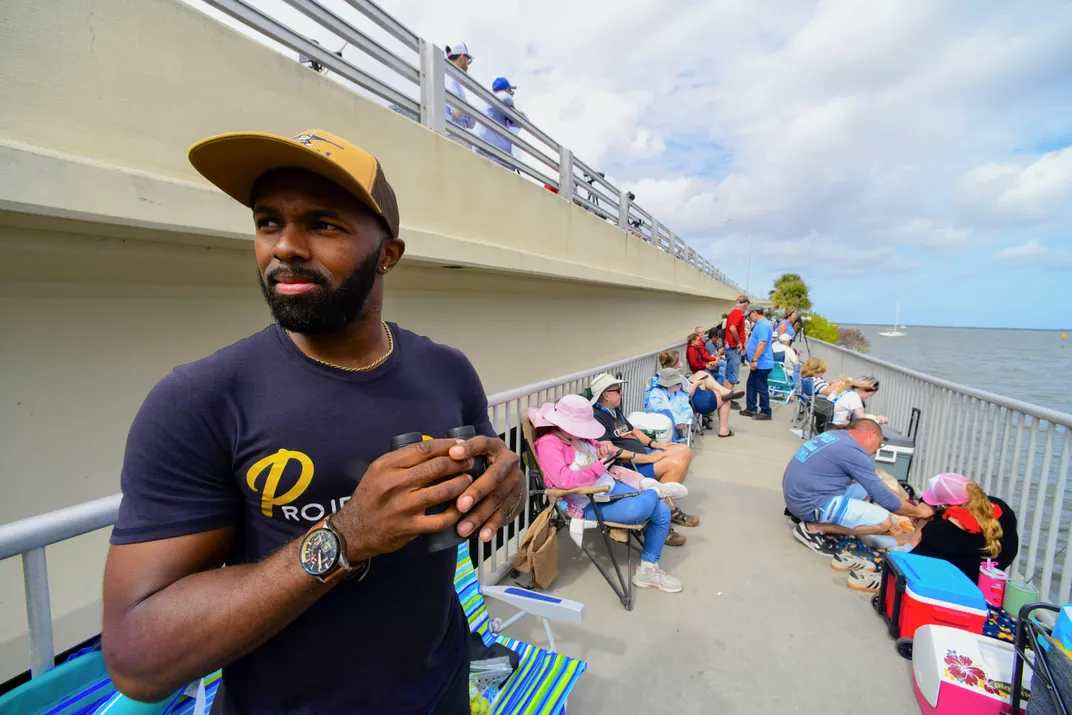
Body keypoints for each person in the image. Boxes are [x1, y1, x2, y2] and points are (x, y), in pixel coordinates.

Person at [101, 129, 524, 715]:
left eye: (323, 224)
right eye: (268, 222)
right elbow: (137, 660)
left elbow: (485, 485)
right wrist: (346, 536)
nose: (286, 247)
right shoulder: (200, 399)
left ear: (388, 255)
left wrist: (511, 481)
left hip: (442, 690)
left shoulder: (448, 371)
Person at [529, 396, 682, 592]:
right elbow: (563, 480)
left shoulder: (577, 437)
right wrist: (598, 468)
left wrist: (605, 449)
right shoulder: (549, 444)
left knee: (661, 511)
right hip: (588, 500)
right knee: (638, 510)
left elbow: (596, 447)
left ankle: (648, 570)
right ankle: (657, 490)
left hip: (609, 487)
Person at [782, 419, 935, 557]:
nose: (876, 451)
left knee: (866, 490)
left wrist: (908, 506)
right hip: (810, 502)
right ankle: (813, 528)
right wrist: (918, 512)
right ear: (872, 434)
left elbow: (875, 486)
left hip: (797, 495)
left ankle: (811, 519)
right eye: (879, 445)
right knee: (883, 522)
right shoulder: (852, 451)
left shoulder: (835, 436)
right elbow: (886, 500)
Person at [588, 373, 701, 533]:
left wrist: (655, 444)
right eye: (618, 390)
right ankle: (662, 519)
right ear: (605, 395)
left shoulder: (613, 410)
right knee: (673, 466)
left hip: (642, 455)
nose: (622, 393)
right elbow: (611, 451)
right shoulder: (597, 417)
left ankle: (669, 505)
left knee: (684, 450)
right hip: (628, 465)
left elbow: (632, 430)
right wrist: (647, 457)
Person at [905, 473, 1018, 580]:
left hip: (946, 583)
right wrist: (927, 503)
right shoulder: (1003, 511)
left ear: (947, 506)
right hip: (983, 583)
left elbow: (911, 560)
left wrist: (923, 518)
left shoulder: (939, 533)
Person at [476, 77, 527, 170]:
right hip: (492, 159)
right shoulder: (495, 100)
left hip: (498, 159)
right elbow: (505, 97)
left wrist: (514, 113)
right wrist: (513, 108)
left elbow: (524, 122)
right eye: (511, 92)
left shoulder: (496, 108)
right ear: (508, 90)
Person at [741, 306, 774, 420]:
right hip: (759, 362)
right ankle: (751, 408)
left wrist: (754, 359)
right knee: (752, 384)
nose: (749, 317)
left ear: (754, 313)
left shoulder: (763, 325)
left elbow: (762, 344)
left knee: (761, 387)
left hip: (761, 362)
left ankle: (766, 411)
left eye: (749, 314)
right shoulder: (760, 324)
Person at [444, 44, 476, 134]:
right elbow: (458, 111)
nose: (467, 65)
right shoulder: (451, 79)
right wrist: (468, 113)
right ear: (462, 58)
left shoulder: (447, 77)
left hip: (451, 134)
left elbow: (471, 124)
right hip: (453, 137)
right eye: (468, 60)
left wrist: (465, 111)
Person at [723, 296, 749, 392]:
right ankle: (728, 399)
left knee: (728, 374)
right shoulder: (739, 313)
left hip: (729, 346)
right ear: (746, 304)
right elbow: (732, 328)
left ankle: (725, 395)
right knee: (732, 375)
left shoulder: (732, 313)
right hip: (733, 347)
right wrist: (739, 342)